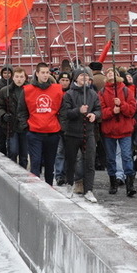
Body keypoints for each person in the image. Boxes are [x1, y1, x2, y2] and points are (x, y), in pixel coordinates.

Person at [59, 68, 101, 202]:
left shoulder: (93, 94)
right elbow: (66, 113)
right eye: (81, 76)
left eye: (86, 76)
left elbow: (99, 109)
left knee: (89, 162)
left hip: (88, 133)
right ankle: (70, 185)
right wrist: (78, 110)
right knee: (71, 161)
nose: (84, 79)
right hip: (72, 133)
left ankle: (89, 189)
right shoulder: (69, 94)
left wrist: (95, 115)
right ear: (76, 78)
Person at [18, 62, 64, 185]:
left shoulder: (56, 89)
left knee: (50, 164)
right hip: (34, 132)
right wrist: (26, 127)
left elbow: (63, 109)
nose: (45, 75)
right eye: (42, 73)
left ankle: (49, 186)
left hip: (52, 132)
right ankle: (36, 188)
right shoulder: (27, 90)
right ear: (37, 74)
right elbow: (21, 110)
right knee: (35, 162)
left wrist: (61, 126)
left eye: (47, 73)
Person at [99, 67, 137, 197]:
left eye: (113, 73)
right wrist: (112, 111)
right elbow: (101, 112)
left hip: (124, 130)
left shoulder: (126, 90)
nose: (110, 74)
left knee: (127, 156)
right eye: (108, 72)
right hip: (109, 130)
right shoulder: (102, 92)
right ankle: (113, 182)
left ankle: (129, 184)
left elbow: (132, 110)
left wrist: (121, 105)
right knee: (111, 158)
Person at [0, 67, 29, 167]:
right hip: (11, 127)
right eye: (17, 76)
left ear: (25, 78)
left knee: (24, 153)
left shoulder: (30, 90)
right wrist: (3, 115)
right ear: (13, 78)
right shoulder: (5, 91)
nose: (19, 79)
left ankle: (23, 172)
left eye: (21, 77)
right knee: (13, 151)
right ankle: (13, 171)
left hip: (26, 126)